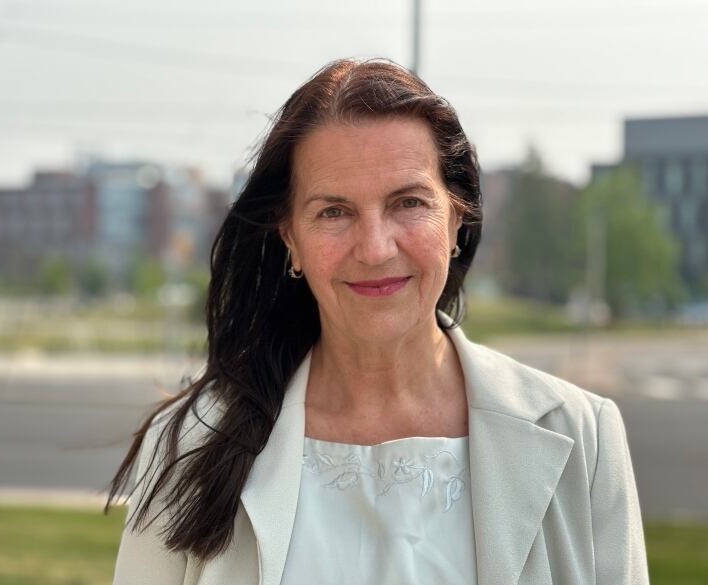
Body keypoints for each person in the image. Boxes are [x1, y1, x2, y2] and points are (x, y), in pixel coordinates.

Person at [108, 58, 649, 585]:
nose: (374, 247)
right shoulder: (190, 444)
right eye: (334, 212)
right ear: (290, 238)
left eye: (408, 203)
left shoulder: (584, 438)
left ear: (457, 217)